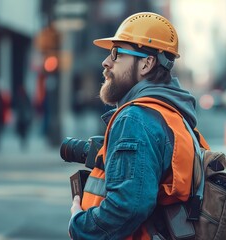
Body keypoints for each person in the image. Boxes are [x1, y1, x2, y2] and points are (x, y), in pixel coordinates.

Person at [68, 12, 209, 239]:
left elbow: (128, 206)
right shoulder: (171, 114)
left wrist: (79, 224)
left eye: (116, 53)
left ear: (146, 63)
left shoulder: (136, 118)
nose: (105, 62)